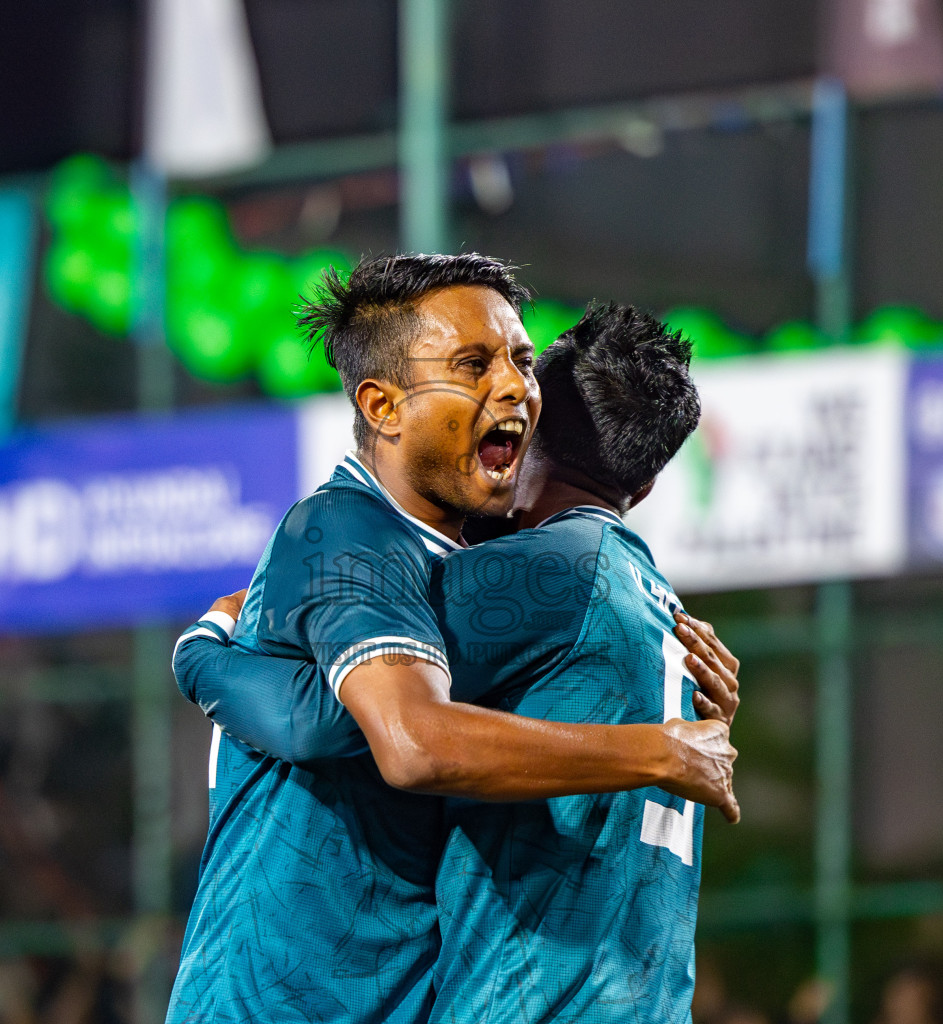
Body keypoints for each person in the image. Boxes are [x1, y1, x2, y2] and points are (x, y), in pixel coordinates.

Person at [166, 258, 739, 1024]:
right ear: (382, 405)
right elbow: (407, 738)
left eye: (522, 361)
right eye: (473, 364)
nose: (512, 387)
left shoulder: (472, 571)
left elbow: (333, 722)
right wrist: (664, 748)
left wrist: (206, 656)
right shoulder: (347, 531)